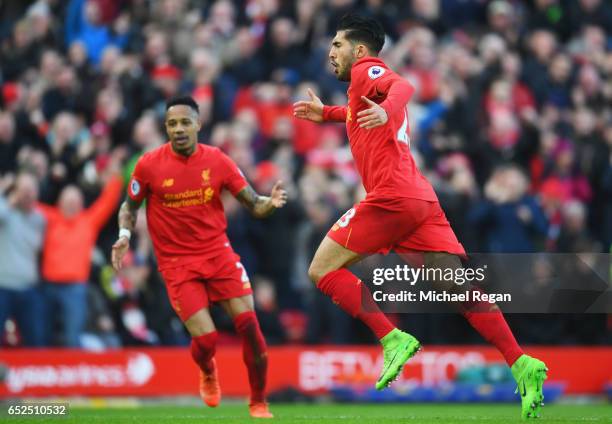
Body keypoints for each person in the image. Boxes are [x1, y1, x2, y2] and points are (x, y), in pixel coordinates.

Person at [293, 14, 547, 420]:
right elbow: (361, 111)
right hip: (421, 201)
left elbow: (401, 85)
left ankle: (390, 337)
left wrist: (389, 107)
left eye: (337, 45)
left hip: (391, 198)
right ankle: (521, 362)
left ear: (359, 50)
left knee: (321, 270)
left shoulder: (365, 70)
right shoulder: (362, 91)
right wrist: (327, 114)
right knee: (458, 291)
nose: (331, 52)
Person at [111, 96, 286, 419]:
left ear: (198, 124)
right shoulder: (149, 165)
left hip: (218, 254)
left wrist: (269, 203)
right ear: (166, 128)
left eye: (184, 122)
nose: (178, 129)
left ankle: (258, 400)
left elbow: (252, 202)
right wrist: (124, 236)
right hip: (177, 264)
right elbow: (129, 207)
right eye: (172, 124)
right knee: (206, 340)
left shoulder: (218, 160)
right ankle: (207, 370)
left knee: (250, 326)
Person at [37, 161, 123, 347]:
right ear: (59, 202)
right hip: (48, 286)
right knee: (42, 335)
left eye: (75, 201)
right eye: (67, 201)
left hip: (75, 289)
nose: (71, 204)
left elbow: (107, 202)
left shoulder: (88, 222)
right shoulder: (50, 218)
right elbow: (29, 205)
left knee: (72, 337)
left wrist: (115, 177)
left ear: (81, 204)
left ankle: (71, 373)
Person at [0, 172, 46, 347]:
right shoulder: (5, 212)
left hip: (28, 288)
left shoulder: (40, 219)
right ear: (15, 191)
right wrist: (8, 199)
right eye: (23, 190)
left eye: (31, 190)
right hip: (2, 286)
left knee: (35, 341)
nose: (27, 194)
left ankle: (36, 374)